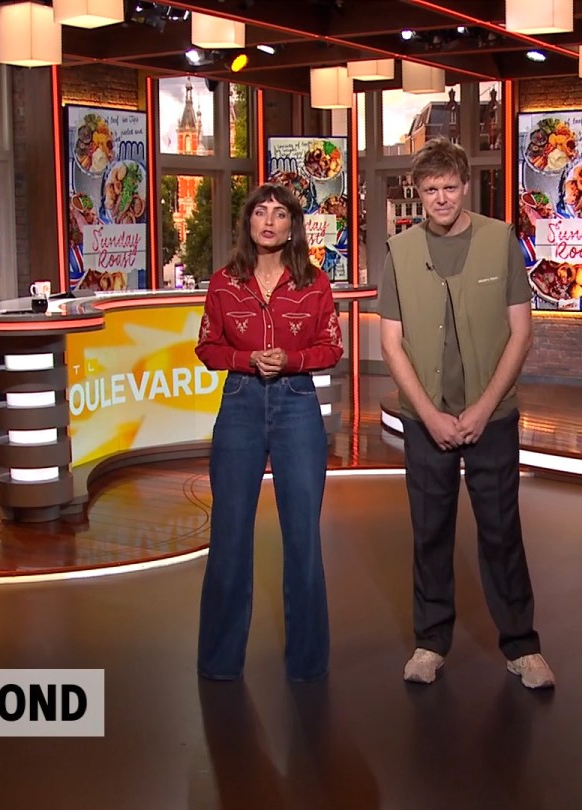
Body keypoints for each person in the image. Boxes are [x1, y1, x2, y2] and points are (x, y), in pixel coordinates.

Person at [378, 139, 555, 689]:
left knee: (501, 531)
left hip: (492, 417)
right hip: (425, 418)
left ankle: (522, 647)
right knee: (429, 533)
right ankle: (430, 643)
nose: (441, 198)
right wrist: (429, 415)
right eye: (430, 189)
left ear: (465, 186)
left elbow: (521, 333)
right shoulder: (399, 250)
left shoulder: (501, 240)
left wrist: (482, 408)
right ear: (418, 192)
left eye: (449, 187)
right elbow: (391, 343)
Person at [194, 183, 344, 682]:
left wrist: (292, 360)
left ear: (292, 225)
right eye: (261, 213)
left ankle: (307, 664)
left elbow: (331, 348)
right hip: (240, 402)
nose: (269, 222)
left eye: (280, 214)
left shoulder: (314, 283)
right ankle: (219, 663)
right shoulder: (224, 282)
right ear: (248, 222)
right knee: (229, 534)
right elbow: (207, 347)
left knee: (302, 537)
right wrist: (245, 359)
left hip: (296, 403)